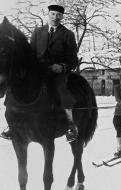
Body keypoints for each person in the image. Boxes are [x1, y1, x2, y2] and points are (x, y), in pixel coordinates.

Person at [1, 0, 79, 142]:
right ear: (48, 14)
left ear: (62, 17)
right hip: (38, 71)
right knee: (16, 86)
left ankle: (70, 125)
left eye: (58, 15)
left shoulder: (68, 35)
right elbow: (30, 54)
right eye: (53, 14)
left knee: (62, 90)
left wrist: (61, 67)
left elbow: (73, 59)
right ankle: (12, 125)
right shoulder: (38, 32)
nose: (55, 17)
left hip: (57, 73)